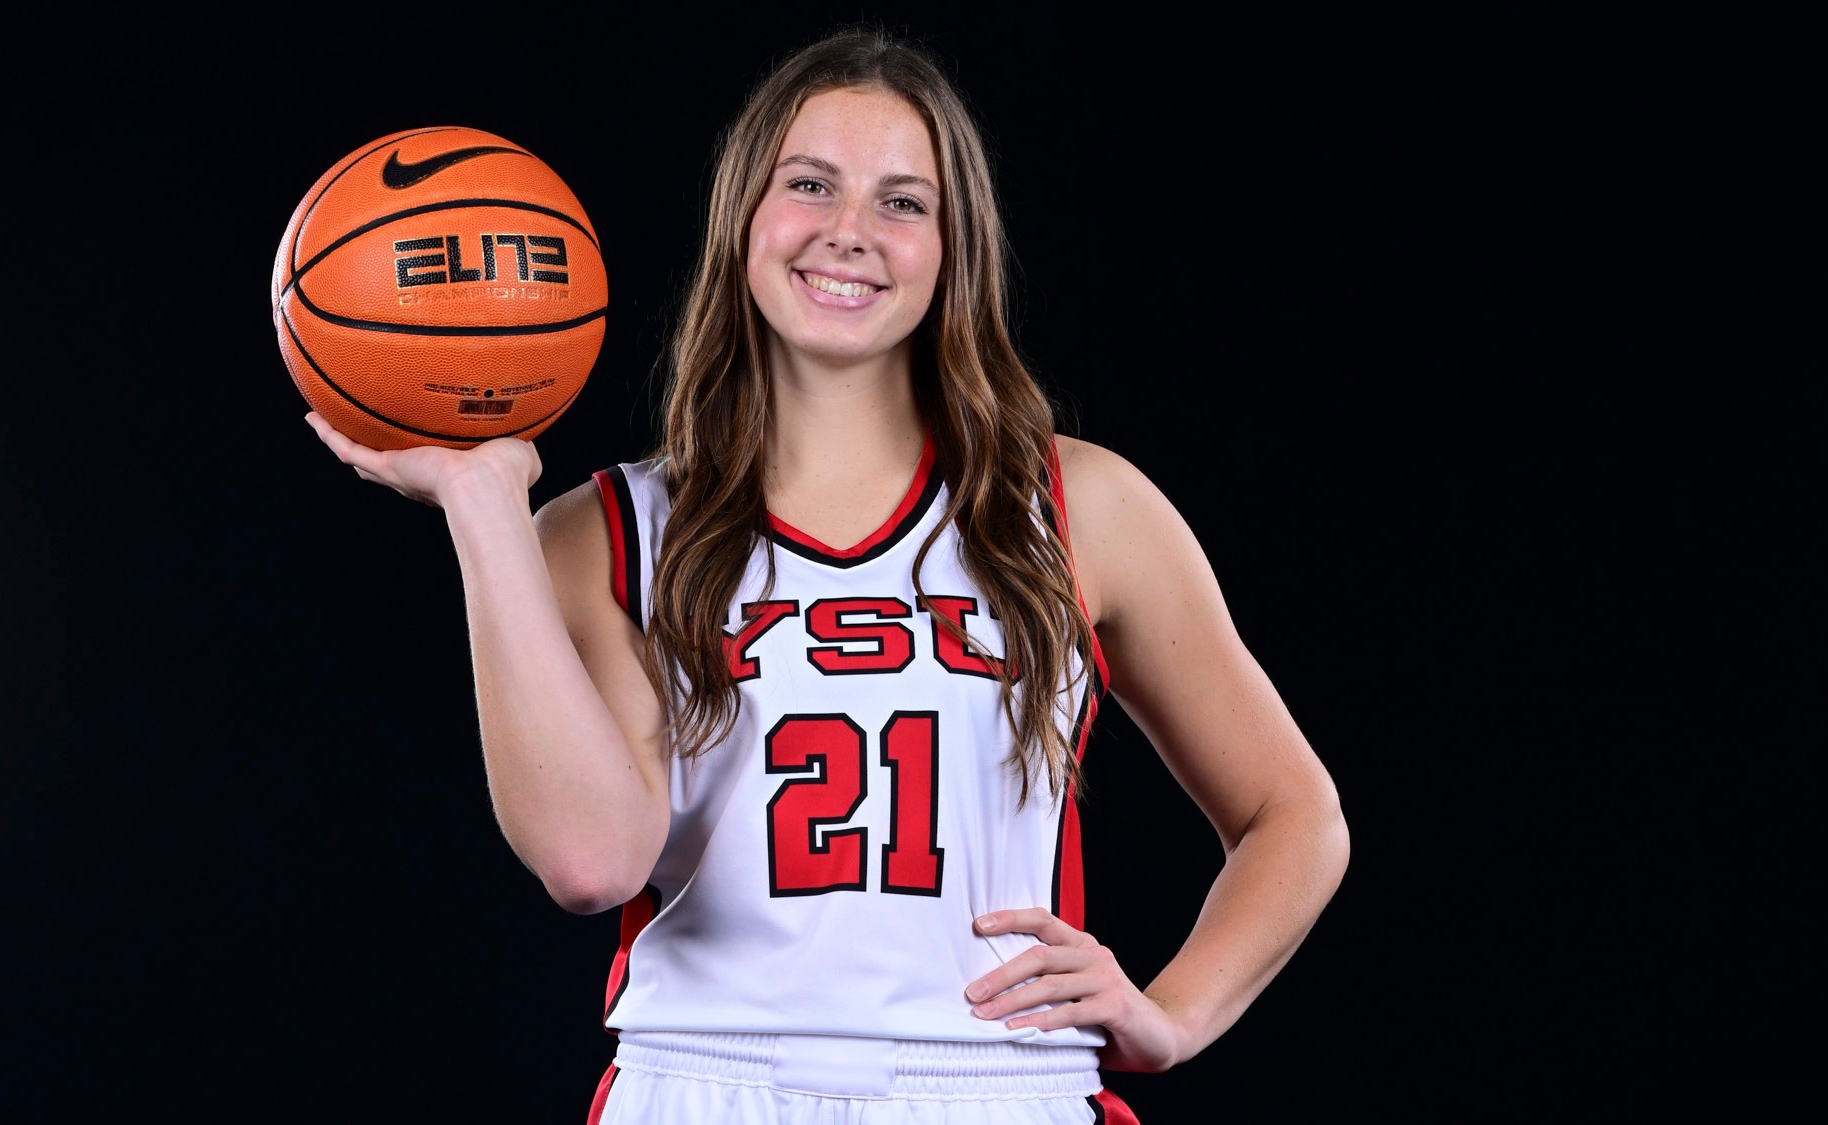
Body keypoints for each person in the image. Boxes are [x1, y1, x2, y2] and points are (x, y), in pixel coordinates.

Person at [306, 25, 1348, 1124]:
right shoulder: (603, 530)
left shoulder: (1076, 506)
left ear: (953, 250)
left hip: (990, 1081)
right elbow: (588, 860)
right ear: (744, 218)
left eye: (902, 202)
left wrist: (1169, 1016)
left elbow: (1294, 816)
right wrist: (482, 506)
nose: (848, 234)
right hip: (705, 1081)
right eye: (809, 185)